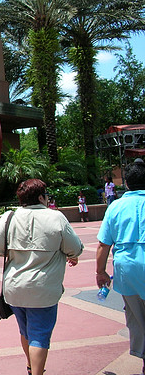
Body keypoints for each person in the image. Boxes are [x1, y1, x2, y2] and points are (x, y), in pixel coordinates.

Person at [0, 178, 83, 375]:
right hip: (43, 289)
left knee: (26, 331)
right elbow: (75, 247)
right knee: (39, 335)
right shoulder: (56, 218)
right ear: (40, 197)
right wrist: (70, 256)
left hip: (14, 289)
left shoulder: (9, 217)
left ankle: (30, 366)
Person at [96, 161, 145, 375]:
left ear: (126, 183)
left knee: (137, 318)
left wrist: (100, 272)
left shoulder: (115, 206)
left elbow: (103, 244)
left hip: (127, 270)